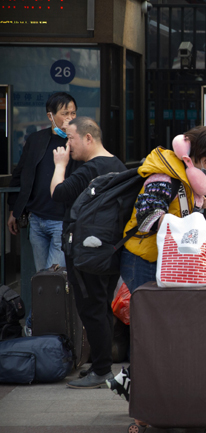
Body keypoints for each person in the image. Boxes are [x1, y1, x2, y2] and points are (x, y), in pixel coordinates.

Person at [106, 125, 206, 401]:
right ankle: (142, 390)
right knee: (148, 326)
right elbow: (147, 217)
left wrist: (194, 210)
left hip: (165, 262)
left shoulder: (188, 176)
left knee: (163, 327)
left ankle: (140, 384)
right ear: (204, 155)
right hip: (142, 259)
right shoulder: (164, 175)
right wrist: (182, 223)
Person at [49, 117, 127, 389]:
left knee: (90, 307)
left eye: (70, 138)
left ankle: (102, 368)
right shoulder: (117, 165)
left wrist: (60, 166)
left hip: (85, 250)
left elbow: (59, 193)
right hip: (108, 248)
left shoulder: (88, 170)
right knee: (101, 304)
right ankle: (100, 363)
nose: (67, 145)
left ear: (88, 138)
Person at [8, 92, 79, 272]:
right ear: (50, 116)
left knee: (52, 280)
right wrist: (14, 209)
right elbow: (20, 174)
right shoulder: (36, 140)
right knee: (42, 276)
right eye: (65, 113)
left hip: (62, 221)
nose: (70, 118)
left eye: (73, 113)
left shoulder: (77, 141)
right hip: (37, 219)